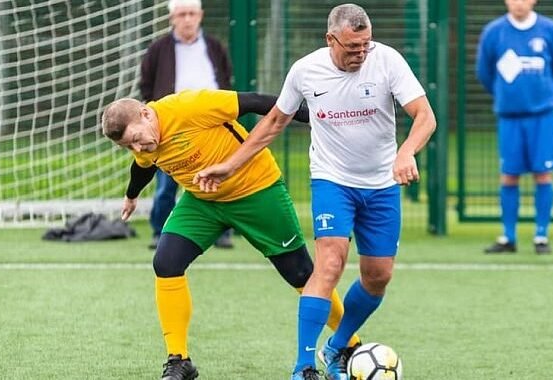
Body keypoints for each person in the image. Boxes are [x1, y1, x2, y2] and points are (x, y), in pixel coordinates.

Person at [194, 4, 436, 379]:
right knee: (330, 262)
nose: (360, 53)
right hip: (332, 180)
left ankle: (336, 347)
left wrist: (406, 152)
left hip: (381, 185)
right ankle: (303, 366)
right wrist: (230, 164)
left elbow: (425, 115)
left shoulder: (387, 60)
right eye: (352, 46)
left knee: (378, 276)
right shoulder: (305, 71)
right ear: (330, 39)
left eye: (365, 45)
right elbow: (274, 122)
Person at [101, 89, 361, 380]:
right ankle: (179, 360)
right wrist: (131, 195)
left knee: (301, 274)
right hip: (203, 203)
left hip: (257, 191)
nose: (138, 149)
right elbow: (142, 167)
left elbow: (257, 102)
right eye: (129, 146)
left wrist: (316, 118)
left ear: (147, 114)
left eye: (136, 140)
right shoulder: (147, 143)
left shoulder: (189, 106)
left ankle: (350, 345)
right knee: (166, 263)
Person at [140, 0, 234, 250]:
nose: (187, 19)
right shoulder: (158, 49)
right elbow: (146, 84)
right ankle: (160, 231)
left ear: (200, 15)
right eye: (182, 14)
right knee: (166, 185)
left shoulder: (214, 46)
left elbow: (225, 77)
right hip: (172, 126)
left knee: (218, 180)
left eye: (192, 13)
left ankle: (222, 232)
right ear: (172, 18)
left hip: (211, 125)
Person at [476, 0, 553, 255]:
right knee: (509, 174)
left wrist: (543, 96)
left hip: (542, 115)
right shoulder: (494, 31)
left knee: (543, 173)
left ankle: (541, 236)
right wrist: (506, 95)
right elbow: (484, 72)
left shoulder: (550, 30)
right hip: (509, 115)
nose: (519, 3)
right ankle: (509, 236)